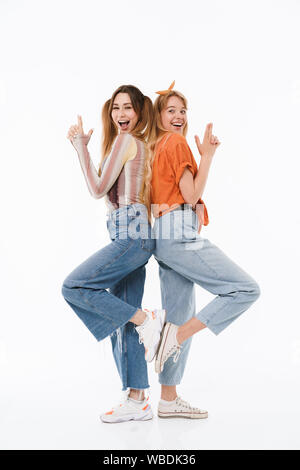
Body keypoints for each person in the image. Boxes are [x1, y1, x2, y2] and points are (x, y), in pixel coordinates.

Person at [150, 81, 261, 419]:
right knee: (245, 289)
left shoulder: (156, 147)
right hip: (178, 233)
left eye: (183, 111)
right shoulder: (177, 142)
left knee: (178, 311)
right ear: (159, 116)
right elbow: (191, 195)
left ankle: (168, 400)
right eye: (171, 110)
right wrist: (208, 157)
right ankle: (178, 336)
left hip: (162, 236)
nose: (179, 116)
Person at [61, 85, 166, 423]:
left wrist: (80, 147)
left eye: (128, 108)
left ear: (139, 113)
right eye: (116, 108)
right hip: (132, 233)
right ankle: (137, 400)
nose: (121, 114)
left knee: (75, 287)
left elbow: (96, 189)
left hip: (130, 235)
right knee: (122, 318)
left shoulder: (125, 141)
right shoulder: (136, 146)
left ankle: (147, 320)